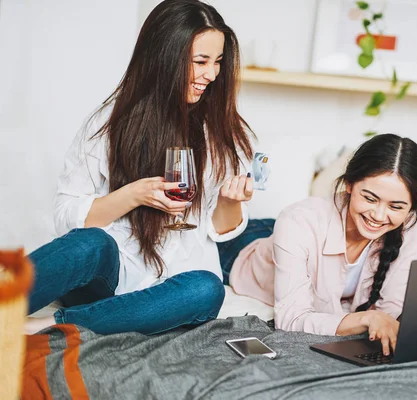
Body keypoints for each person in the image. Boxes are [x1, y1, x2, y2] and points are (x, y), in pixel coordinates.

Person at [25, 0, 254, 335]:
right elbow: (66, 214)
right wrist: (134, 194)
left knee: (207, 289)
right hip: (111, 273)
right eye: (201, 61)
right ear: (165, 58)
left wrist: (230, 204)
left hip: (170, 286)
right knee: (89, 244)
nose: (212, 74)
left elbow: (221, 229)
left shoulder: (221, 131)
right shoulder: (110, 122)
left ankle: (47, 325)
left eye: (218, 62)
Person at [218, 134, 417, 356]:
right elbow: (292, 319)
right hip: (245, 250)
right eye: (369, 198)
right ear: (349, 184)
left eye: (396, 207)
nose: (378, 215)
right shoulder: (297, 220)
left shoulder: (407, 228)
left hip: (295, 238)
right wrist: (366, 319)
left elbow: (389, 314)